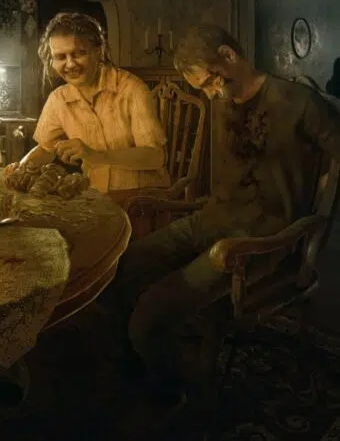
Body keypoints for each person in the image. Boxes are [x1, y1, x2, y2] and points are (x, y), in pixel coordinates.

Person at [104, 24, 340, 410]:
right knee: (118, 269)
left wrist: (322, 187)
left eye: (211, 82)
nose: (211, 94)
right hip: (210, 220)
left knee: (150, 313)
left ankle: (172, 393)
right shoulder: (222, 102)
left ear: (229, 56)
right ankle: (139, 365)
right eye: (202, 89)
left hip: (259, 239)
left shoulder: (299, 103)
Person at [5, 12, 169, 192]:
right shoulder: (58, 99)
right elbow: (45, 149)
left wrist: (96, 155)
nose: (70, 64)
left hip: (145, 198)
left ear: (98, 52)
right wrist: (20, 168)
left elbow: (156, 157)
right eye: (61, 57)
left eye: (79, 53)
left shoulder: (132, 89)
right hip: (96, 197)